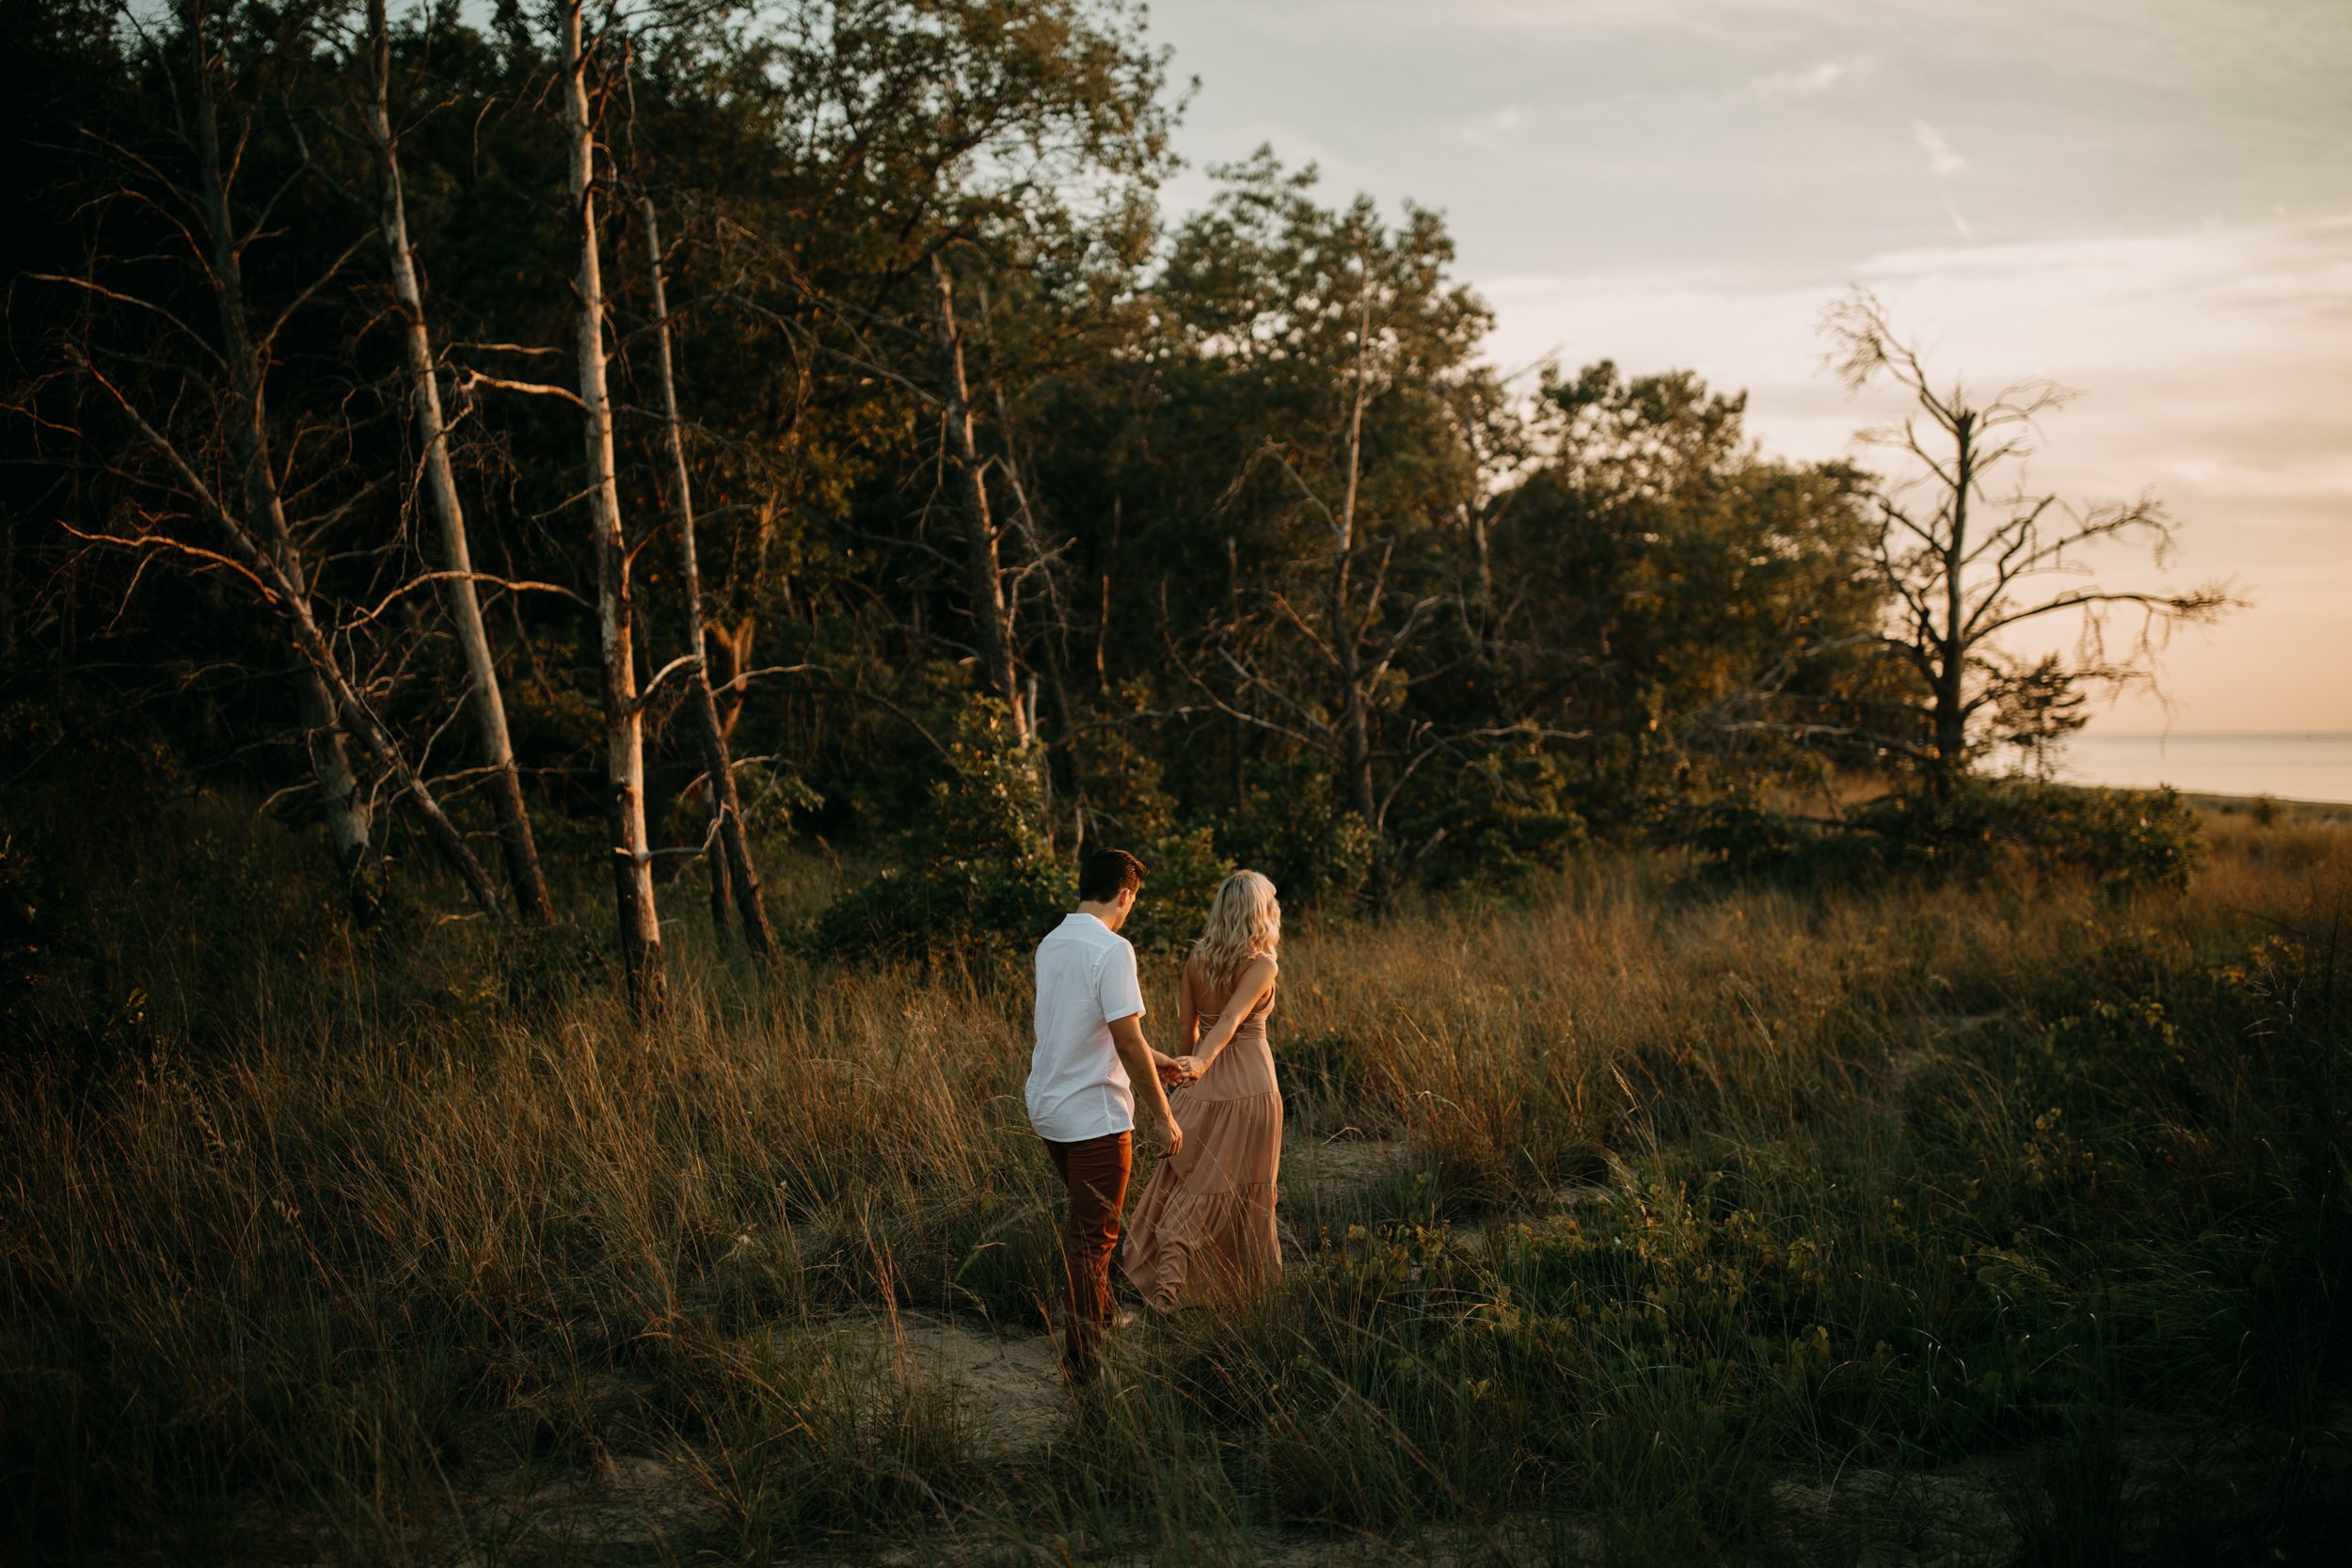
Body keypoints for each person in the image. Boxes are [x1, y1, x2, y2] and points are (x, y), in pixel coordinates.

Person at [1026, 847, 1188, 1375]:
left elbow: (1090, 1029)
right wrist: (1163, 1114)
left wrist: (1153, 1058)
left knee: (1086, 1230)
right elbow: (1124, 1038)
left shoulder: (1053, 942)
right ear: (1125, 895)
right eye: (1132, 901)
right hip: (1093, 1117)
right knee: (1092, 1241)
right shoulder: (1113, 948)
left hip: (1050, 1108)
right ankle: (1084, 1361)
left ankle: (1098, 1320)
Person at [1121, 869, 1284, 1314]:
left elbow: (1187, 1027)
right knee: (1240, 1189)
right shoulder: (1262, 965)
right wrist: (1198, 1064)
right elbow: (1232, 1022)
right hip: (1248, 1086)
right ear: (1259, 912)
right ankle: (1220, 1292)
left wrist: (1186, 1072)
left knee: (1192, 1184)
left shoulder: (1198, 957)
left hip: (1199, 1082)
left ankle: (1172, 1287)